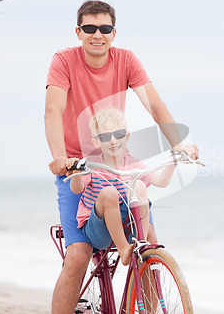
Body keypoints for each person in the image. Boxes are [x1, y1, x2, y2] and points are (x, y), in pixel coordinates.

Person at [44, 0, 198, 314]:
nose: (97, 34)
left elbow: (155, 106)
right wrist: (60, 158)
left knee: (150, 241)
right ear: (79, 32)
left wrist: (178, 144)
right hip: (79, 166)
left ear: (114, 33)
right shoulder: (63, 61)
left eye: (104, 28)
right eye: (89, 28)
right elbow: (53, 110)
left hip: (118, 163)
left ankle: (149, 308)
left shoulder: (126, 60)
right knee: (77, 255)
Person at [67, 108, 177, 266]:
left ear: (127, 136)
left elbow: (162, 182)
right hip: (99, 231)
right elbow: (77, 189)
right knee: (109, 193)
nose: (113, 141)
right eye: (105, 136)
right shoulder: (92, 163)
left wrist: (173, 159)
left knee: (139, 185)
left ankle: (141, 243)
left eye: (118, 134)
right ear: (96, 142)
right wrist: (77, 171)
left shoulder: (134, 163)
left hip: (126, 225)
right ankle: (123, 249)